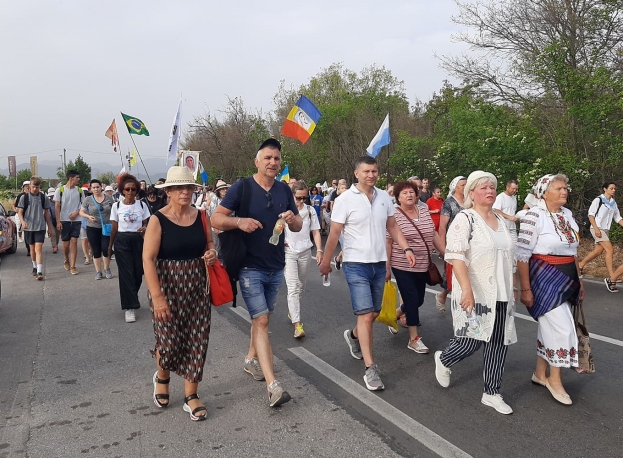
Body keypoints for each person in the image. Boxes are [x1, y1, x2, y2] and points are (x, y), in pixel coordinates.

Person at [211, 138, 302, 407]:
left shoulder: (285, 189)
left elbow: (297, 226)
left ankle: (251, 359)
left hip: (276, 265)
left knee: (262, 319)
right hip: (249, 266)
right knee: (261, 321)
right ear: (257, 161)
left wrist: (292, 218)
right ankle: (273, 386)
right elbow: (216, 218)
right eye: (268, 158)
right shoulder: (242, 187)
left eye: (276, 158)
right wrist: (239, 222)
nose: (273, 162)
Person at [319, 156, 416, 391]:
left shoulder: (384, 197)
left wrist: (406, 247)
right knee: (365, 316)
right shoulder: (344, 200)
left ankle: (353, 337)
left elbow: (392, 226)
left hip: (378, 263)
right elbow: (334, 233)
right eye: (366, 171)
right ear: (356, 173)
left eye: (374, 171)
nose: (371, 175)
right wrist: (325, 261)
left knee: (372, 313)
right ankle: (370, 368)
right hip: (356, 265)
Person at [434, 171, 517, 415]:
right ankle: (444, 359)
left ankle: (491, 392)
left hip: (501, 293)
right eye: (483, 188)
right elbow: (456, 256)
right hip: (477, 293)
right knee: (471, 340)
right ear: (471, 193)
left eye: (492, 187)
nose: (489, 191)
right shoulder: (465, 219)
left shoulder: (501, 221)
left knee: (498, 342)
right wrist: (466, 291)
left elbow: (509, 256)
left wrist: (516, 287)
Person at [143, 166, 218, 421]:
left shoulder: (202, 216)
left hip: (197, 286)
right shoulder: (158, 219)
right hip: (166, 286)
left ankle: (191, 395)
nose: (185, 192)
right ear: (169, 192)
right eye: (179, 188)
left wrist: (211, 252)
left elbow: (209, 243)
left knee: (197, 339)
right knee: (169, 341)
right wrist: (158, 296)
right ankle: (162, 376)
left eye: (189, 187)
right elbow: (148, 259)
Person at [515, 174, 583, 405]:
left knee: (549, 325)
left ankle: (539, 373)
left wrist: (580, 281)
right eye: (559, 188)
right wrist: (525, 289)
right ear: (544, 192)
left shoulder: (567, 215)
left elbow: (572, 251)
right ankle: (555, 379)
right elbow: (522, 255)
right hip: (543, 276)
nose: (564, 191)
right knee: (563, 328)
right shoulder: (534, 216)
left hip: (567, 277)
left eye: (565, 187)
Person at [386, 181, 444, 353]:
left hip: (423, 263)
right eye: (404, 193)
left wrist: (446, 253)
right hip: (401, 263)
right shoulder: (394, 215)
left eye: (411, 192)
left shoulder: (424, 210)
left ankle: (394, 315)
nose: (409, 195)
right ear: (397, 198)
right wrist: (387, 266)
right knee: (411, 299)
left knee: (418, 300)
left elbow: (433, 234)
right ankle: (414, 339)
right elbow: (388, 241)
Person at [108, 173, 151, 323]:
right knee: (126, 273)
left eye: (133, 189)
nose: (130, 192)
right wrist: (110, 246)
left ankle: (132, 296)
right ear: (122, 190)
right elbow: (114, 227)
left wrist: (145, 227)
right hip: (122, 240)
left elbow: (147, 222)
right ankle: (129, 307)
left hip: (138, 240)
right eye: (127, 189)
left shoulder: (142, 205)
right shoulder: (116, 206)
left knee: (138, 272)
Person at [284, 181, 323, 338]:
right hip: (289, 252)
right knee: (292, 287)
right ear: (292, 195)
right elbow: (276, 230)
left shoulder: (310, 210)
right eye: (298, 198)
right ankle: (297, 324)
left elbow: (316, 232)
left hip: (305, 252)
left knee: (301, 286)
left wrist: (319, 250)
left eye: (304, 198)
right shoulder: (285, 210)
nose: (301, 201)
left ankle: (292, 311)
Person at [577, 182, 623, 292]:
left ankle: (580, 264)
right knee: (610, 250)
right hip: (597, 228)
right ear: (605, 189)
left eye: (614, 189)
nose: (613, 190)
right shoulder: (598, 200)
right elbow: (591, 214)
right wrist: (596, 228)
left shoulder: (613, 203)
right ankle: (611, 277)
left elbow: (617, 217)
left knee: (598, 251)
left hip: (605, 229)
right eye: (611, 188)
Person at [435, 176, 467, 313]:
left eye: (467, 184)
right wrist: (443, 249)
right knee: (452, 275)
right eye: (462, 185)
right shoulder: (449, 203)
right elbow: (442, 227)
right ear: (455, 187)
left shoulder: (470, 201)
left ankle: (443, 295)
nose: (465, 187)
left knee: (466, 274)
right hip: (453, 244)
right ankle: (458, 307)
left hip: (468, 243)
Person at [17, 177, 54, 280]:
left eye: (37, 187)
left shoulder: (43, 197)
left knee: (39, 248)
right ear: (29, 186)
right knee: (32, 249)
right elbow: (20, 212)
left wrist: (50, 227)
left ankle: (39, 271)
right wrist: (23, 222)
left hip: (40, 226)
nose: (35, 189)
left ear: (39, 187)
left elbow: (46, 213)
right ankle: (34, 266)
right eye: (33, 187)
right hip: (28, 227)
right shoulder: (24, 198)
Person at [80, 179, 115, 280]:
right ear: (90, 189)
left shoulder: (109, 198)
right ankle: (98, 271)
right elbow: (81, 212)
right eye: (93, 187)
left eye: (97, 187)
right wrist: (88, 217)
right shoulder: (88, 199)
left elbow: (115, 210)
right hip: (92, 227)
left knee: (105, 249)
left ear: (101, 187)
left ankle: (107, 268)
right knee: (96, 250)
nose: (96, 189)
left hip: (107, 227)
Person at [55, 170, 83, 275]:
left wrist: (76, 212)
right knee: (66, 245)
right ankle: (66, 259)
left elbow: (82, 206)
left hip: (77, 220)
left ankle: (73, 266)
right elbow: (57, 207)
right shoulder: (60, 190)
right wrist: (58, 221)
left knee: (74, 241)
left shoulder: (80, 191)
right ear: (71, 178)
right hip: (64, 220)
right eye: (77, 177)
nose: (78, 179)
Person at [14, 181, 32, 255]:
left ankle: (32, 248)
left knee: (31, 233)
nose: (28, 187)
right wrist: (16, 210)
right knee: (27, 233)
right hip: (23, 217)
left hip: (32, 217)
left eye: (29, 186)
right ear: (23, 187)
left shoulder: (35, 195)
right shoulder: (20, 196)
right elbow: (15, 205)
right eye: (26, 186)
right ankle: (29, 249)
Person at [47, 187, 59, 254]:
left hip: (58, 220)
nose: (52, 196)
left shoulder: (59, 202)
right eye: (51, 195)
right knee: (53, 233)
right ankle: (54, 246)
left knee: (57, 234)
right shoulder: (47, 202)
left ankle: (56, 244)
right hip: (50, 220)